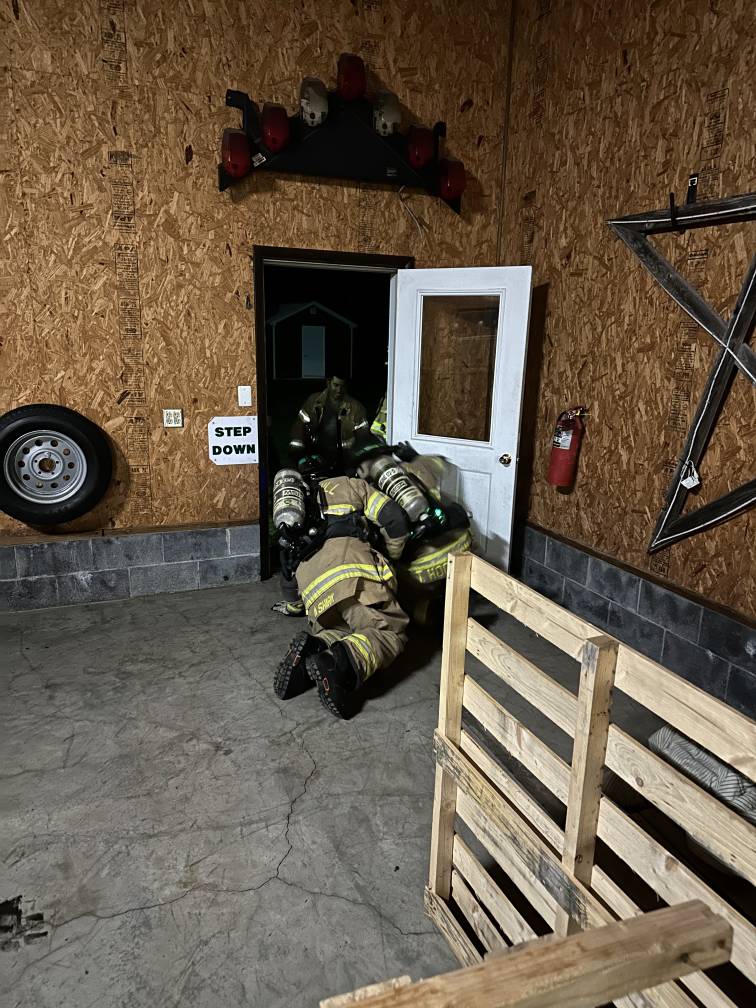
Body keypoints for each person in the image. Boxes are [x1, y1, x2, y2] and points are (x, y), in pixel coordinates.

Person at [275, 471, 410, 719]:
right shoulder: (350, 486)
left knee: (344, 629)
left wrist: (295, 606)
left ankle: (315, 649)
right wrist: (394, 557)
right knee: (388, 631)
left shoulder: (297, 510)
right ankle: (339, 664)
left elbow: (288, 578)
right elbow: (394, 518)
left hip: (314, 593)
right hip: (354, 576)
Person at [288, 376, 369, 471]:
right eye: (336, 385)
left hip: (343, 456)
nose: (339, 390)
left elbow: (363, 436)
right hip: (314, 452)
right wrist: (298, 453)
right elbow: (299, 425)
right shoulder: (313, 401)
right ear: (328, 383)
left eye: (342, 386)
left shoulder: (356, 408)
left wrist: (356, 456)